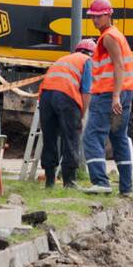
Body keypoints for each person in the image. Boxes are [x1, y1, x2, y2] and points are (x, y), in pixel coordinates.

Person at [82, 0, 133, 196]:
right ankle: (126, 187)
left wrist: (115, 96)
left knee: (92, 136)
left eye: (99, 16)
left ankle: (100, 182)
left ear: (108, 15)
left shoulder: (108, 37)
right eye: (93, 17)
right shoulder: (116, 35)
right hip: (125, 92)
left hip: (109, 94)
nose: (95, 20)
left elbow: (118, 65)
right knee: (118, 137)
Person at [37, 39, 95, 189]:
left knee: (49, 138)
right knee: (71, 137)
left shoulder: (63, 59)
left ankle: (50, 181)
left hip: (45, 97)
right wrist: (81, 114)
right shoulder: (87, 60)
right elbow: (87, 91)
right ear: (92, 53)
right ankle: (69, 182)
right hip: (66, 97)